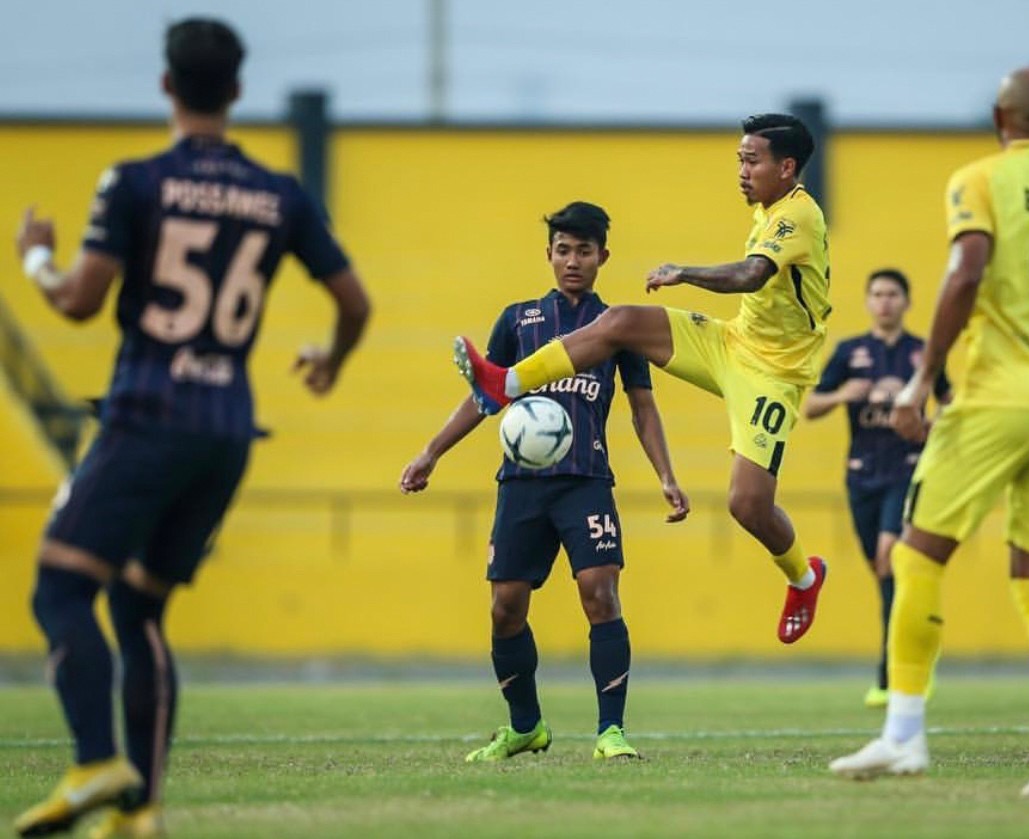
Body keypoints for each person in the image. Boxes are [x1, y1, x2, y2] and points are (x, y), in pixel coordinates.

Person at [12, 18, 370, 838]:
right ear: (237, 91)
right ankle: (141, 812)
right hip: (227, 429)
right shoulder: (279, 193)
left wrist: (36, 259)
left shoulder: (136, 182)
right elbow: (354, 303)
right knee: (139, 607)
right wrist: (331, 359)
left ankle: (96, 761)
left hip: (148, 413)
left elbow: (79, 301)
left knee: (61, 586)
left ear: (166, 85)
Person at [827, 67, 1029, 797]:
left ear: (998, 117)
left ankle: (903, 735)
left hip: (996, 401)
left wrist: (922, 378)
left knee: (916, 557)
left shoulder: (979, 179)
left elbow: (966, 271)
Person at [452, 114, 832, 644]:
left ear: (786, 167)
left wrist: (684, 273)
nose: (742, 172)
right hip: (733, 343)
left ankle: (804, 578)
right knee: (621, 322)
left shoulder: (800, 216)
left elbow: (752, 275)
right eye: (739, 161)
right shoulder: (769, 210)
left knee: (747, 504)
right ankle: (508, 384)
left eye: (752, 161)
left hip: (773, 374)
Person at [400, 202, 688, 762]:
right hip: (522, 484)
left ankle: (611, 731)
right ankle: (525, 725)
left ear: (603, 257)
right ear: (549, 255)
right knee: (505, 608)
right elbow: (485, 396)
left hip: (585, 480)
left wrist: (666, 476)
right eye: (563, 250)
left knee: (600, 594)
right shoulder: (518, 321)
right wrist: (431, 452)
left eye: (584, 251)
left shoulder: (618, 327)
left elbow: (643, 407)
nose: (573, 260)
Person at [803, 268, 951, 708]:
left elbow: (951, 402)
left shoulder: (923, 353)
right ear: (868, 302)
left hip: (907, 473)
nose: (885, 302)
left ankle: (891, 675)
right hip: (861, 477)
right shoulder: (850, 352)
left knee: (890, 559)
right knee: (885, 574)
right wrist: (842, 395)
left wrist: (934, 425)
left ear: (907, 302)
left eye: (892, 294)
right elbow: (810, 405)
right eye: (878, 294)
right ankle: (919, 649)